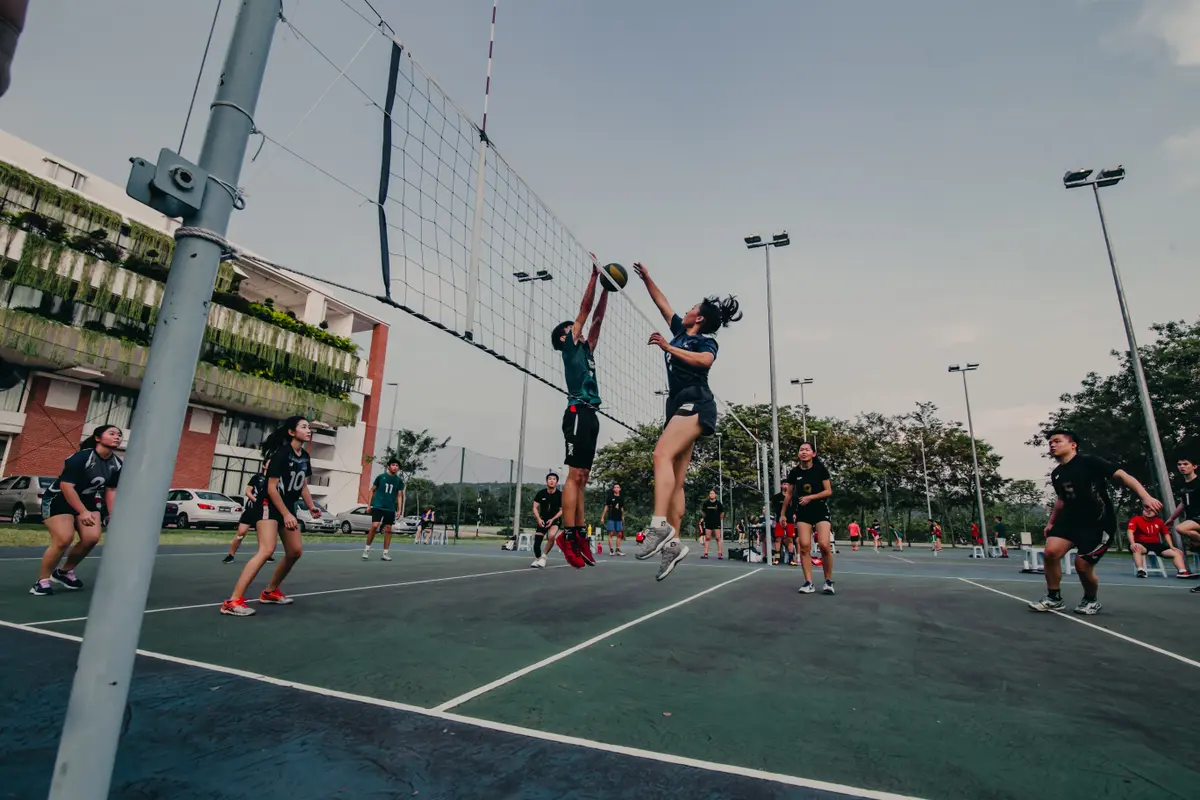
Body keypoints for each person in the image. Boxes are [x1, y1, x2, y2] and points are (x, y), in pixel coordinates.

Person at [632, 263, 741, 580]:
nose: (688, 309)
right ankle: (674, 544)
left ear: (701, 318)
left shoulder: (704, 343)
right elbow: (662, 302)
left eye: (693, 307)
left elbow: (705, 362)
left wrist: (668, 348)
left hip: (697, 401)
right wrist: (649, 279)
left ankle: (657, 526)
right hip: (676, 403)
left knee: (660, 455)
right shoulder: (680, 329)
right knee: (676, 479)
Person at [1028, 429, 1162, 615]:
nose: (1052, 445)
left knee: (1082, 566)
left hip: (1097, 522)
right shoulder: (1058, 473)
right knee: (1050, 553)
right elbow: (1062, 499)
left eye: (1057, 441)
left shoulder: (1090, 462)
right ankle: (1053, 598)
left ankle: (1091, 599)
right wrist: (1051, 522)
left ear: (1073, 444)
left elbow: (1123, 476)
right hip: (1070, 519)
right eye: (1050, 442)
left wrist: (1145, 497)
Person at [221, 416, 322, 617]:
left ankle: (269, 592)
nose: (308, 430)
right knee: (266, 550)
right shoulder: (280, 455)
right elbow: (271, 488)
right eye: (304, 427)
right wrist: (285, 514)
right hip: (269, 504)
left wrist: (311, 507)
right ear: (292, 432)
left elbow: (302, 484)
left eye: (309, 427)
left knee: (295, 552)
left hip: (288, 506)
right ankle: (233, 601)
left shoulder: (304, 457)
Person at [550, 265, 610, 567]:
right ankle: (567, 535)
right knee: (574, 477)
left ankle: (579, 536)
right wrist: (592, 278)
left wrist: (606, 290)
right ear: (563, 339)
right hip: (575, 411)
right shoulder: (570, 348)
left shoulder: (587, 350)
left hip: (591, 415)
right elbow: (585, 312)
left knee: (583, 478)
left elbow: (596, 319)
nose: (577, 329)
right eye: (570, 329)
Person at [30, 425, 123, 596]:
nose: (117, 437)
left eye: (119, 435)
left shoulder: (117, 464)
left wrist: (112, 515)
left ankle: (64, 572)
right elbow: (66, 487)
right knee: (64, 539)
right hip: (59, 499)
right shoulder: (81, 458)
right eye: (112, 433)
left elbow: (111, 490)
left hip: (87, 501)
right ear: (98, 438)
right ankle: (42, 581)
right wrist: (82, 512)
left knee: (91, 538)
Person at [783, 442, 835, 594]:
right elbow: (789, 494)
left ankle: (828, 581)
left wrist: (810, 497)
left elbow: (828, 491)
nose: (804, 452)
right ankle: (808, 582)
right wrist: (783, 514)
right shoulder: (794, 472)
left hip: (820, 510)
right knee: (804, 545)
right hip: (803, 512)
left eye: (807, 449)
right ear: (798, 454)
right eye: (801, 450)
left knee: (824, 544)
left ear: (813, 453)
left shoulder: (820, 470)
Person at [223, 463, 275, 564]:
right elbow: (248, 492)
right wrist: (257, 501)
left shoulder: (274, 479)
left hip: (264, 510)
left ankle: (265, 555)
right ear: (264, 466)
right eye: (269, 462)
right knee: (241, 533)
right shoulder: (256, 477)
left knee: (262, 535)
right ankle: (231, 555)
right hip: (251, 509)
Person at [1127, 503, 1190, 578]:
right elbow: (1130, 531)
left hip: (1156, 544)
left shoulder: (1159, 521)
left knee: (1176, 552)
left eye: (1152, 509)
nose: (1148, 510)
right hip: (1141, 544)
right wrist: (1132, 543)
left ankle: (1182, 571)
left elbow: (1166, 534)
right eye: (1147, 508)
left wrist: (1171, 546)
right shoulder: (1136, 519)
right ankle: (1141, 570)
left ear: (1156, 512)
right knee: (1136, 548)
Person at [363, 459, 405, 561]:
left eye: (397, 465)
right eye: (393, 465)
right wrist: (369, 505)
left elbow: (399, 496)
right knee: (375, 526)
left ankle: (385, 553)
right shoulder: (381, 477)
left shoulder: (398, 481)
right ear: (388, 466)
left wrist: (399, 510)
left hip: (390, 508)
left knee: (388, 529)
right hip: (378, 506)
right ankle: (366, 549)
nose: (396, 467)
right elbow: (371, 490)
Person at [530, 472, 564, 568]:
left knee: (551, 536)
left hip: (554, 520)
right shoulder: (541, 493)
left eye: (554, 479)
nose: (552, 480)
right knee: (536, 544)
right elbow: (534, 507)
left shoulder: (560, 495)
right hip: (542, 520)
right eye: (550, 479)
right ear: (546, 481)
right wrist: (538, 519)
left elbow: (562, 510)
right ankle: (538, 559)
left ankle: (544, 556)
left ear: (556, 482)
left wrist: (553, 519)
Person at [601, 483, 626, 555]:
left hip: (618, 518)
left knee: (619, 534)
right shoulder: (610, 497)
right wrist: (602, 517)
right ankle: (611, 550)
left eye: (618, 487)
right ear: (613, 489)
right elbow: (606, 507)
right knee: (611, 533)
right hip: (611, 517)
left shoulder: (621, 498)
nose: (616, 489)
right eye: (615, 487)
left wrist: (623, 516)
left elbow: (622, 508)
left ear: (620, 489)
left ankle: (617, 549)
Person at [700, 489, 725, 560]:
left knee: (718, 538)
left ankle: (720, 553)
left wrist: (718, 519)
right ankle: (705, 553)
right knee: (707, 538)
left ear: (715, 495)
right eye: (710, 493)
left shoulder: (718, 503)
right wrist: (705, 517)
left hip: (716, 523)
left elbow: (722, 513)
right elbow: (703, 512)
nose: (711, 494)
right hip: (708, 523)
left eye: (713, 493)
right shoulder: (706, 503)